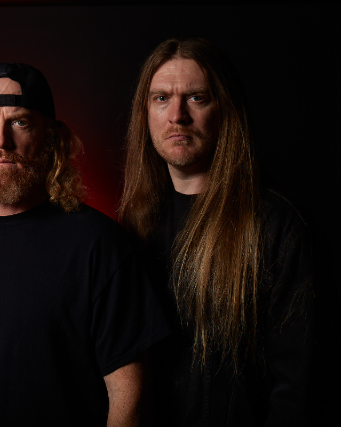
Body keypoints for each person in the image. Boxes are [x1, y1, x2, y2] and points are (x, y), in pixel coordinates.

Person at [0, 63, 169, 426]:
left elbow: (128, 393)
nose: (0, 141)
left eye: (20, 122)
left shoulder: (99, 244)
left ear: (52, 139)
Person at [118, 37, 317, 426]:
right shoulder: (136, 223)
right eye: (161, 98)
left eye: (197, 97)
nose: (177, 115)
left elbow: (300, 388)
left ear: (224, 108)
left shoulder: (277, 226)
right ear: (145, 113)